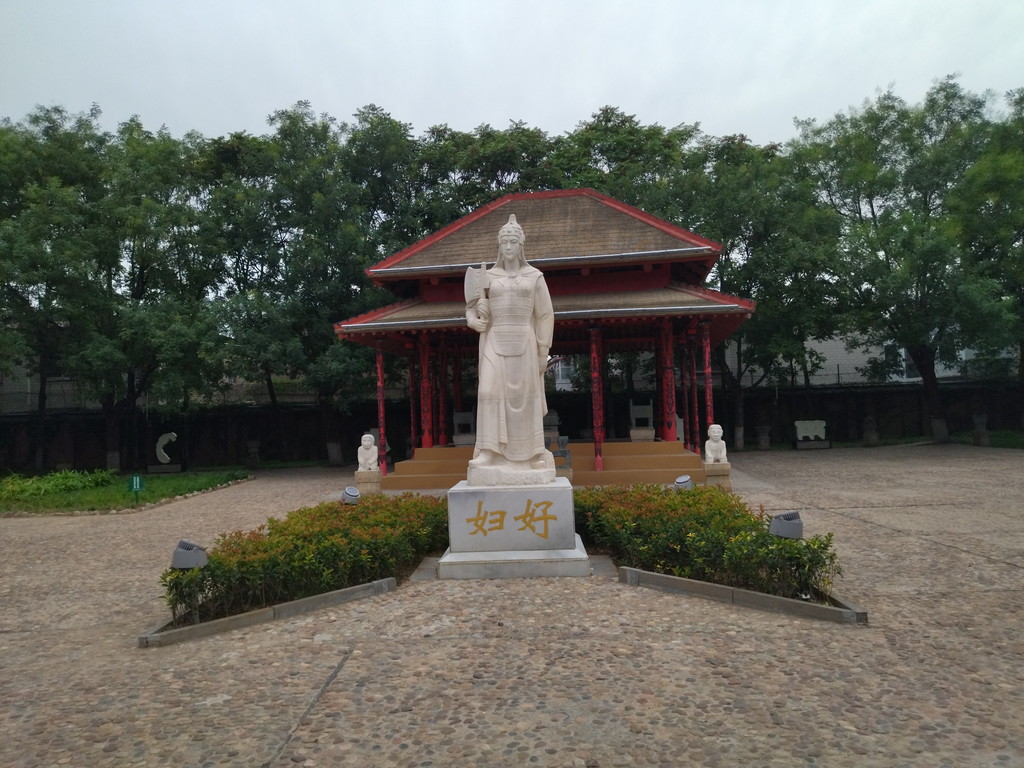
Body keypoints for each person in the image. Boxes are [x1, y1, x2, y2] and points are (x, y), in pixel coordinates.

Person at [466, 214, 554, 472]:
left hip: (525, 340)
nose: (508, 247)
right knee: (488, 393)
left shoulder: (535, 276)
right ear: (499, 245)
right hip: (495, 338)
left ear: (520, 245)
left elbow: (545, 314)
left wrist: (543, 351)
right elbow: (471, 307)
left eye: (512, 242)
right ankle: (489, 451)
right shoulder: (488, 276)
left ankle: (533, 453)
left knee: (525, 398)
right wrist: (474, 320)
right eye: (504, 242)